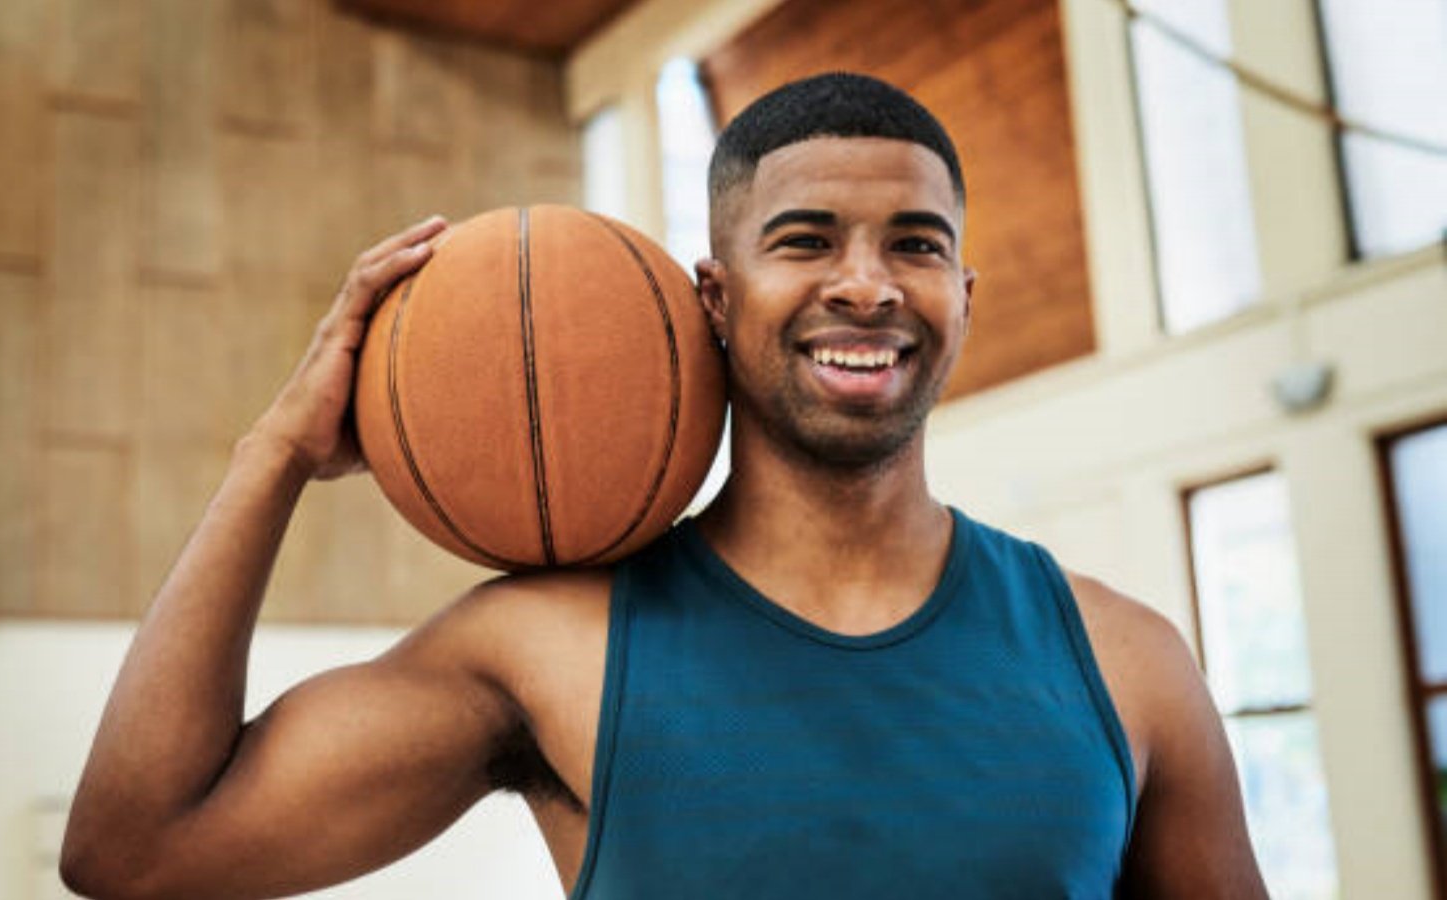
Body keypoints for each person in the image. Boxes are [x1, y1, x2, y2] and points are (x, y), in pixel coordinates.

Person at [61, 73, 1268, 899]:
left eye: (916, 242)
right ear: (713, 298)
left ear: (964, 296)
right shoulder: (550, 642)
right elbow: (136, 852)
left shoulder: (1125, 660)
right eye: (803, 241)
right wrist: (272, 454)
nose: (868, 284)